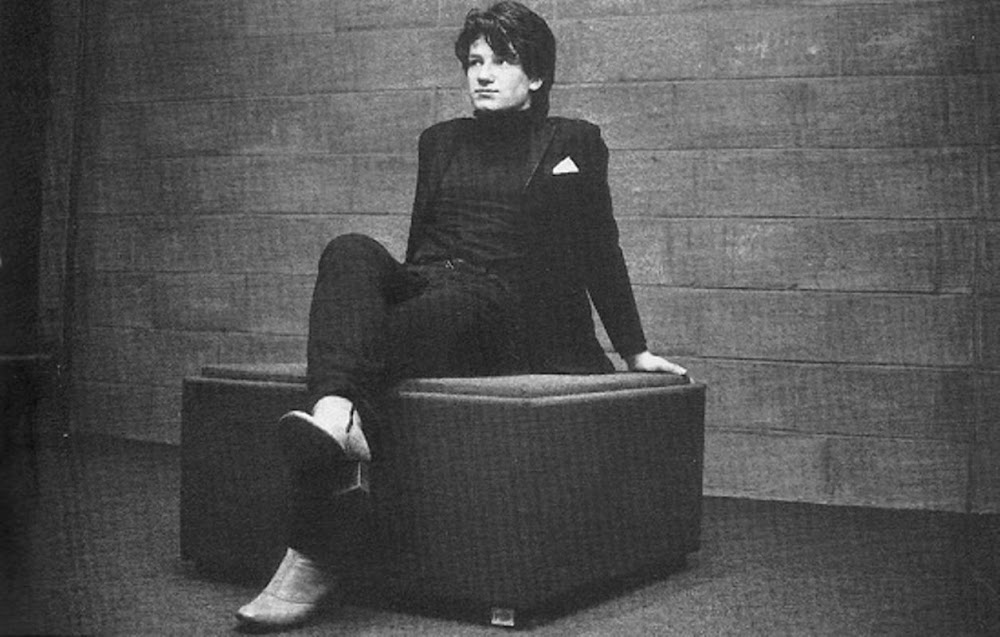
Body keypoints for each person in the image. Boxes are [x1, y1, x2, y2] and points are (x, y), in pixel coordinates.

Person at [234, 1, 688, 630]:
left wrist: (633, 349)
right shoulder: (439, 140)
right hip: (437, 286)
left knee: (442, 307)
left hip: (502, 306)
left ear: (536, 75)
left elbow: (599, 248)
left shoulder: (573, 141)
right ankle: (337, 415)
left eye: (502, 61)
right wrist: (389, 301)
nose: (483, 73)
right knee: (349, 249)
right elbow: (422, 241)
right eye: (475, 61)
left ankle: (314, 548)